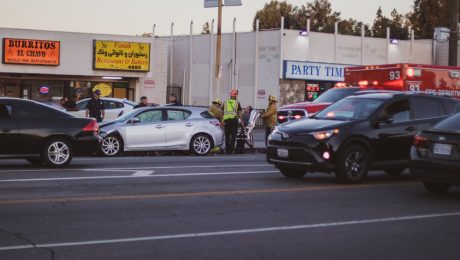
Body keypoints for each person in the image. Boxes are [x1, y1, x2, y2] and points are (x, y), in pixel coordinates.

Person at [223, 89, 244, 154]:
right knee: (233, 135)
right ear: (235, 96)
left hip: (226, 121)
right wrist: (242, 121)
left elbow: (222, 112)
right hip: (234, 121)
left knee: (227, 135)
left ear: (230, 95)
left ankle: (227, 150)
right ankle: (231, 150)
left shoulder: (225, 102)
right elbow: (240, 112)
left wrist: (221, 120)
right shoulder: (237, 103)